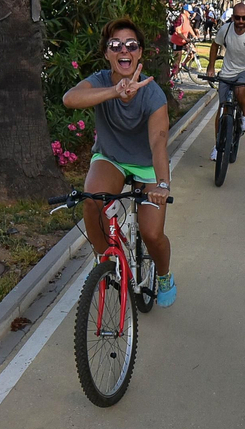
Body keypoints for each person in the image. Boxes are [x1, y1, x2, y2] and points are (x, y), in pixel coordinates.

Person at [62, 17, 177, 307]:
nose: (123, 50)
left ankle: (163, 274)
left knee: (152, 233)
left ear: (139, 53)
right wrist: (115, 91)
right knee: (92, 200)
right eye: (115, 45)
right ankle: (105, 263)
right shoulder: (101, 81)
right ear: (107, 53)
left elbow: (157, 143)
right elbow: (70, 99)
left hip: (147, 163)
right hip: (111, 158)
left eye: (131, 45)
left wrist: (162, 184)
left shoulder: (152, 93)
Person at [207, 0, 245, 160]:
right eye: (237, 18)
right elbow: (214, 46)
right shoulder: (225, 30)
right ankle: (217, 146)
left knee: (240, 89)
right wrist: (211, 67)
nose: (241, 22)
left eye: (244, 18)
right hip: (227, 71)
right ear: (232, 17)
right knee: (222, 109)